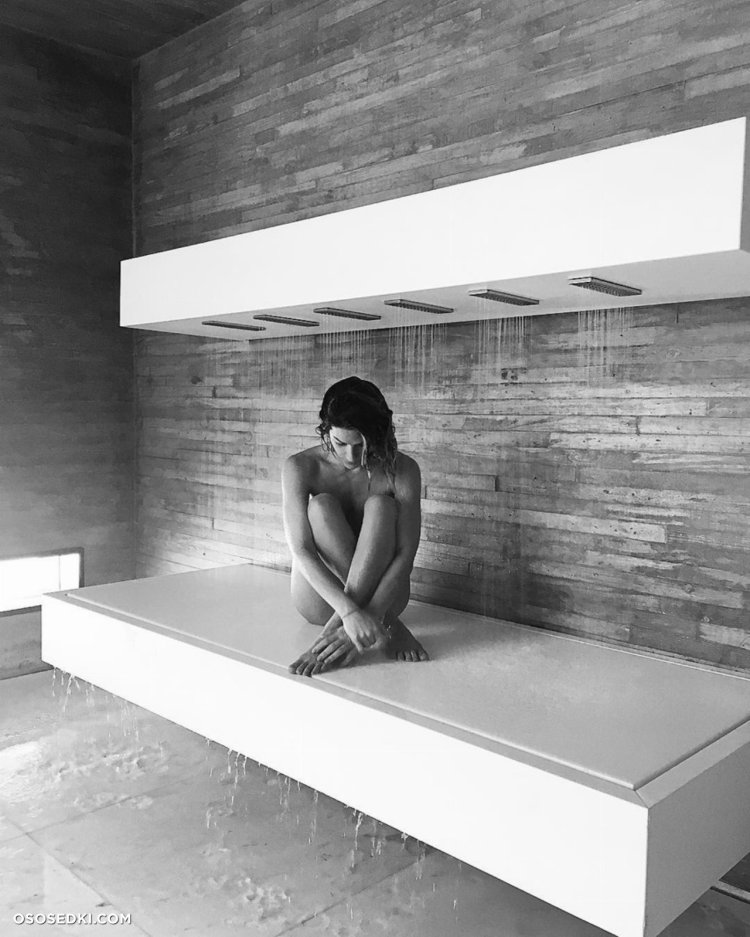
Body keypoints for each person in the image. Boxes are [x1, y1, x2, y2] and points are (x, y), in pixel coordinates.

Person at [283, 376, 429, 677]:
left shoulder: (403, 470)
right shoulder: (300, 467)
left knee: (382, 506)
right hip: (320, 600)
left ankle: (371, 620)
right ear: (326, 430)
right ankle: (390, 625)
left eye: (362, 444)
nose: (352, 456)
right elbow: (301, 550)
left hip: (385, 599)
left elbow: (406, 554)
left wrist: (372, 612)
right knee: (321, 506)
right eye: (340, 444)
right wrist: (350, 613)